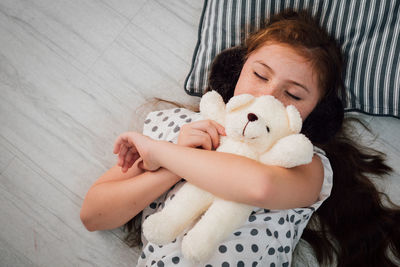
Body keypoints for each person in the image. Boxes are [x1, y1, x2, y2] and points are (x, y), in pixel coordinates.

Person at [80, 11, 400, 266]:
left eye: (292, 94)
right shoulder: (177, 130)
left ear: (316, 113)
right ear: (236, 70)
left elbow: (259, 187)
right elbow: (93, 215)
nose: (267, 96)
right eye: (260, 75)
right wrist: (172, 161)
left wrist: (164, 155)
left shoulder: (305, 161)